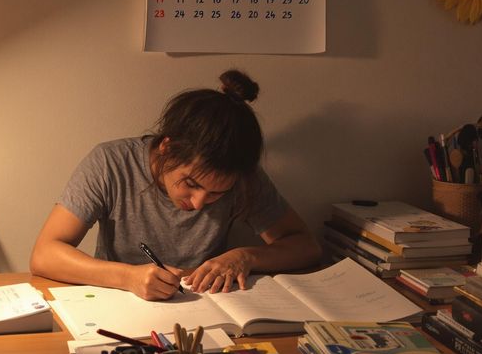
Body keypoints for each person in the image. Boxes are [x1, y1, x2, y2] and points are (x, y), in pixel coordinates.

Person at [30, 69, 321, 300]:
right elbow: (45, 254)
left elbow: (305, 246)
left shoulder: (243, 175)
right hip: (116, 308)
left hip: (205, 311)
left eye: (218, 193)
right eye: (190, 184)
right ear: (166, 148)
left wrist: (245, 256)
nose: (197, 203)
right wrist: (128, 277)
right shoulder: (111, 163)